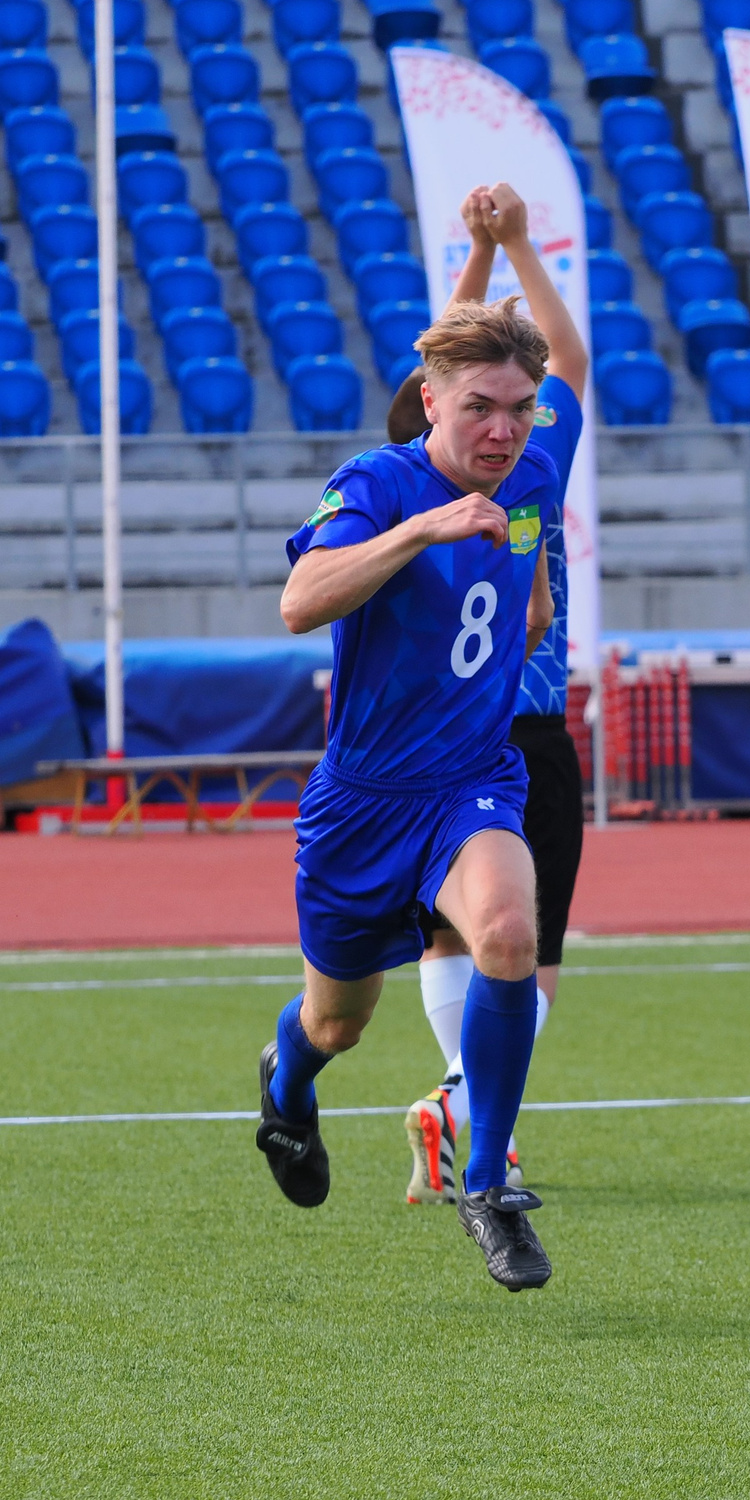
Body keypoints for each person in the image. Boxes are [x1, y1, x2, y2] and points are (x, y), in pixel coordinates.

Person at [261, 236, 563, 1292]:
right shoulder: (377, 485)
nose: (503, 427)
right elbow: (300, 603)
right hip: (358, 803)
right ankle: (287, 1087)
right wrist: (423, 532)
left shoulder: (532, 470)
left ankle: (486, 1183)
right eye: (481, 405)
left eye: (518, 408)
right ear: (428, 400)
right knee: (335, 1021)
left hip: (469, 784)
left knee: (511, 935)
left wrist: (524, 616)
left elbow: (525, 595)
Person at [393, 183, 589, 1213]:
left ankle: (483, 1129)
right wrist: (514, 247)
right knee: (531, 949)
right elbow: (559, 357)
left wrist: (474, 257)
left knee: (446, 935)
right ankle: (468, 1104)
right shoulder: (538, 464)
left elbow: (450, 361)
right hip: (526, 727)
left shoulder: (408, 480)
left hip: (428, 734)